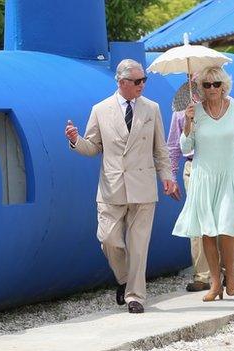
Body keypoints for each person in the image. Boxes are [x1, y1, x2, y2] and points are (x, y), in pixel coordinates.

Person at [65, 59, 176, 314]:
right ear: (122, 82)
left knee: (138, 246)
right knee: (108, 239)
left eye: (144, 80)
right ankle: (125, 279)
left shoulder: (152, 109)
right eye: (137, 81)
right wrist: (76, 140)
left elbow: (160, 149)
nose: (142, 85)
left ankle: (136, 296)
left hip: (143, 186)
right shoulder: (100, 110)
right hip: (112, 187)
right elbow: (93, 147)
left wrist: (167, 176)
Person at [172, 67, 234, 302]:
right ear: (200, 88)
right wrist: (187, 123)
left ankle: (230, 274)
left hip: (228, 176)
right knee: (207, 231)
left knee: (226, 227)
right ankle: (215, 283)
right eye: (206, 85)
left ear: (224, 85)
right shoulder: (194, 112)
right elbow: (185, 147)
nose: (212, 88)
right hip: (203, 176)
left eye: (216, 84)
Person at [167, 83, 211, 292]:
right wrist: (171, 176)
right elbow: (174, 145)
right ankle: (203, 275)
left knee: (221, 217)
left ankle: (225, 269)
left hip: (216, 165)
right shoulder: (180, 111)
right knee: (197, 221)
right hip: (192, 167)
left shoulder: (218, 108)